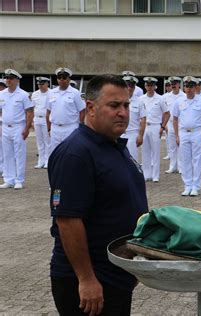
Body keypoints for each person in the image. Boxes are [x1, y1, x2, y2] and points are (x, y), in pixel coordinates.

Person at [48, 74, 148, 316]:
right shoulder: (76, 153)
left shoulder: (113, 146)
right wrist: (86, 279)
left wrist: (132, 264)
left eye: (126, 105)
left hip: (116, 274)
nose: (123, 112)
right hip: (90, 281)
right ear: (90, 108)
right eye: (114, 105)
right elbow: (68, 220)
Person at [172, 76, 201, 196]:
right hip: (184, 132)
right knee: (185, 160)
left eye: (190, 86)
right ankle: (187, 185)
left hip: (197, 132)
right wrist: (177, 135)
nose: (188, 89)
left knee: (197, 160)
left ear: (195, 87)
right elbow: (174, 118)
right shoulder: (179, 101)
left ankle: (196, 186)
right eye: (186, 86)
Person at [0, 69, 34, 189]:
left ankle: (19, 179)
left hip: (18, 126)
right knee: (7, 154)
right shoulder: (2, 94)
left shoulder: (23, 95)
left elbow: (29, 112)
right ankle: (9, 179)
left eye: (10, 78)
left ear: (17, 80)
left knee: (19, 153)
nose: (8, 80)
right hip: (5, 126)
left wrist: (27, 127)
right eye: (6, 78)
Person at [46, 67, 85, 155]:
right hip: (55, 129)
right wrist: (49, 128)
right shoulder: (52, 93)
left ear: (69, 79)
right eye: (59, 78)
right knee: (55, 154)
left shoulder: (75, 93)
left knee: (71, 153)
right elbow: (48, 112)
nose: (61, 80)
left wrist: (80, 126)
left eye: (64, 78)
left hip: (70, 128)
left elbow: (82, 111)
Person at [140, 77, 170, 182]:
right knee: (145, 152)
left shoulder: (160, 98)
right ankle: (146, 174)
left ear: (154, 86)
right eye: (147, 85)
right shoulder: (141, 99)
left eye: (151, 85)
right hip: (144, 127)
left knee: (156, 152)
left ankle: (155, 175)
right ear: (145, 86)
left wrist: (162, 126)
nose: (149, 87)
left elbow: (167, 113)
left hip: (155, 126)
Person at [163, 76, 185, 173]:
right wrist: (164, 124)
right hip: (170, 123)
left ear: (179, 84)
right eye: (172, 84)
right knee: (172, 146)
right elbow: (163, 112)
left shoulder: (184, 96)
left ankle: (181, 166)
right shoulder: (166, 97)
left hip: (181, 124)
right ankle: (173, 166)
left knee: (180, 145)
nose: (173, 86)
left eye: (175, 84)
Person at [122, 75, 146, 161]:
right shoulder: (117, 99)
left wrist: (140, 135)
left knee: (132, 160)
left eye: (132, 86)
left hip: (132, 134)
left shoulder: (139, 101)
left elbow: (143, 119)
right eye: (127, 85)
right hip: (119, 133)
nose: (129, 88)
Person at [31, 76, 52, 169]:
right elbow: (32, 108)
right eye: (39, 84)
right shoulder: (35, 94)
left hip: (46, 119)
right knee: (39, 142)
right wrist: (32, 120)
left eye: (42, 84)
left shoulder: (52, 93)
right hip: (37, 119)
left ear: (47, 83)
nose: (40, 86)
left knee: (47, 141)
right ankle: (41, 161)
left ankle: (48, 161)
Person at [0, 79, 7, 175]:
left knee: (5, 148)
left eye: (2, 86)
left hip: (5, 125)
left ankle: (5, 169)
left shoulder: (6, 96)